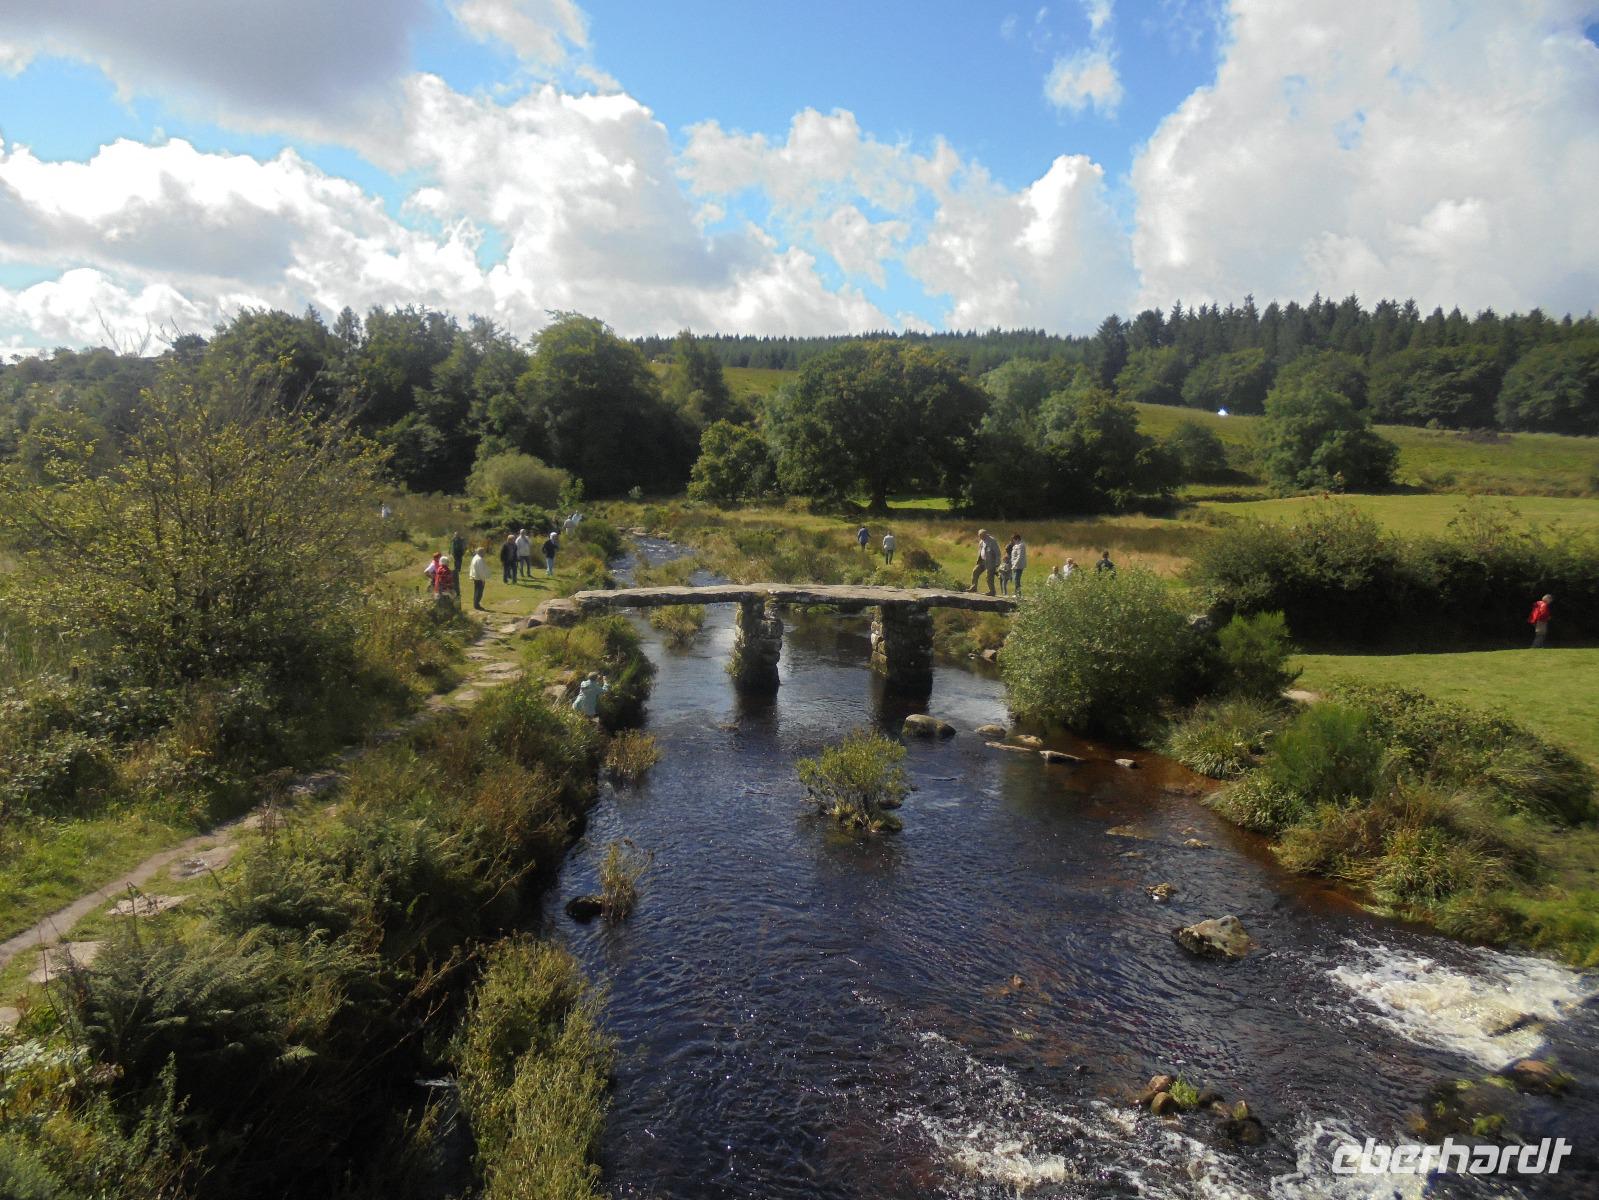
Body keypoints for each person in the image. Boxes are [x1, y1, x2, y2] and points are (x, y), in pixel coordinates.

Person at [969, 529, 1001, 595]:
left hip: (991, 562)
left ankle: (992, 591)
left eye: (981, 536)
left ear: (985, 534)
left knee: (989, 577)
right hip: (982, 561)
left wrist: (997, 563)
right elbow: (980, 551)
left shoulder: (992, 541)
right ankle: (973, 587)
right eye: (979, 536)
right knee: (975, 571)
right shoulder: (981, 541)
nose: (980, 537)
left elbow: (997, 553)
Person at [468, 546, 488, 611]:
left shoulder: (475, 557)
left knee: (477, 591)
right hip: (479, 578)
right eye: (484, 552)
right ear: (481, 552)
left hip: (475, 577)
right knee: (479, 592)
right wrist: (483, 579)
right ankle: (477, 605)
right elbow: (480, 571)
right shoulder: (479, 559)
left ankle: (476, 603)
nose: (484, 554)